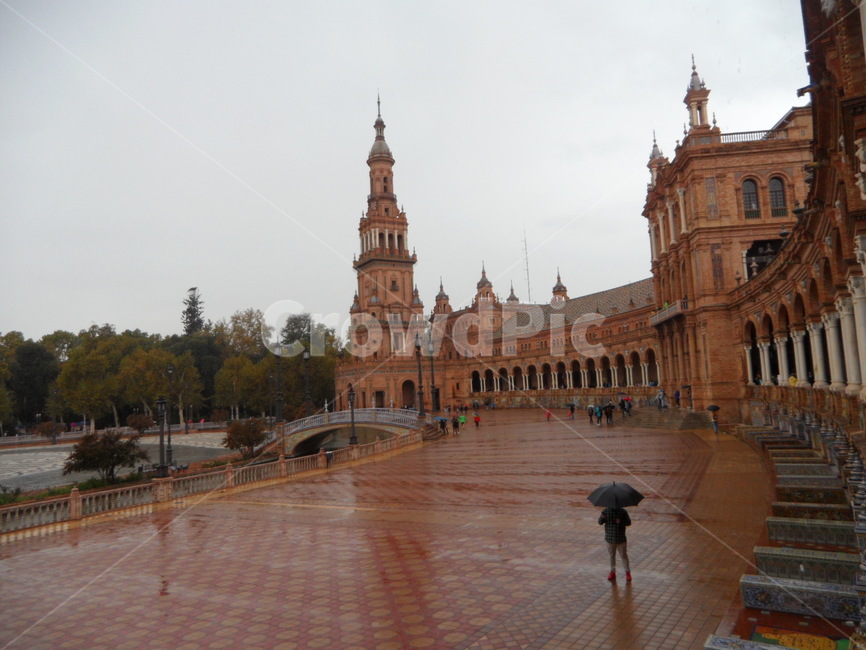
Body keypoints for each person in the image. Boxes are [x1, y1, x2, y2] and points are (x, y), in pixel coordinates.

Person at [598, 506, 632, 582]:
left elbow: (628, 522)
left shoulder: (623, 512)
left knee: (624, 556)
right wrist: (602, 517)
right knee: (612, 556)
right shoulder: (605, 511)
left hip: (621, 539)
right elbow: (600, 522)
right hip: (610, 539)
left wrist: (620, 522)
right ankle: (612, 571)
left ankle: (627, 572)